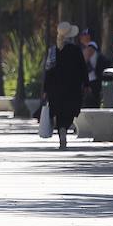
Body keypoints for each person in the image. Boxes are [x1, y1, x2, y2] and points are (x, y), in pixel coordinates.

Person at [43, 22, 89, 150]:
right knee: (70, 111)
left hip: (55, 89)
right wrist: (86, 83)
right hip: (72, 88)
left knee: (59, 112)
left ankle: (61, 131)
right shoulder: (75, 50)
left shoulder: (53, 51)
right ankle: (64, 128)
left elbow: (48, 71)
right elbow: (82, 68)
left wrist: (45, 89)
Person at [80, 28, 110, 108]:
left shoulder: (91, 46)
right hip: (90, 80)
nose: (82, 37)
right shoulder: (88, 47)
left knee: (90, 104)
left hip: (92, 81)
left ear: (89, 36)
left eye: (84, 35)